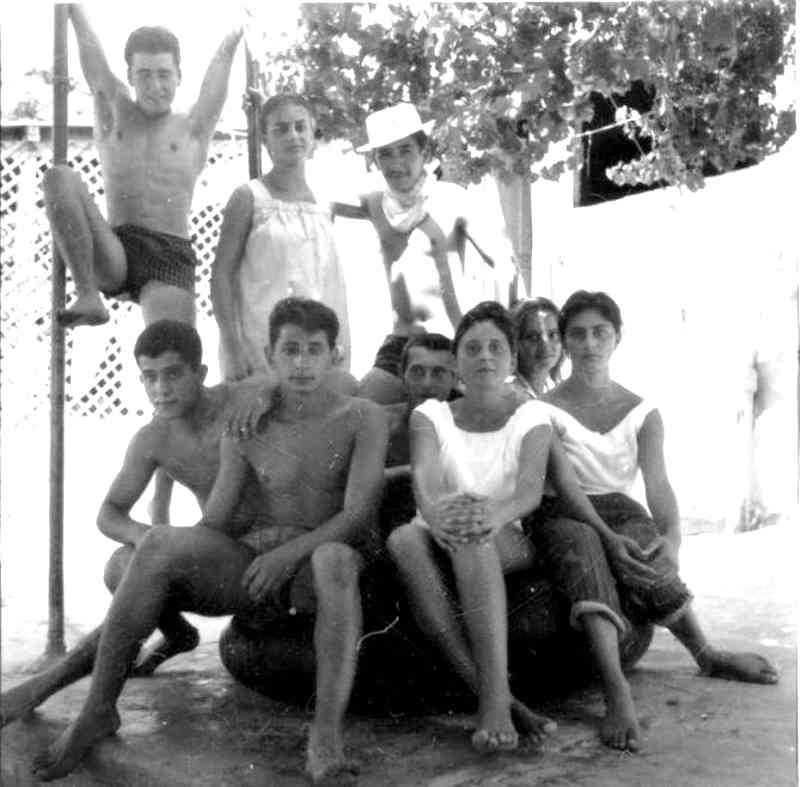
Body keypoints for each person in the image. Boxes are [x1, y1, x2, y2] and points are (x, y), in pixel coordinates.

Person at [28, 297, 388, 783]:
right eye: (290, 350)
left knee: (332, 559)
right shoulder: (242, 426)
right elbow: (214, 521)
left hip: (324, 561)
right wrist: (163, 555)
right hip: (258, 563)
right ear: (270, 355)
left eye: (313, 350)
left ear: (334, 354)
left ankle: (325, 737)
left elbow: (359, 514)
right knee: (155, 548)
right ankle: (97, 707)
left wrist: (288, 553)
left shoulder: (358, 415)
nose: (302, 363)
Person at [386, 301, 647, 753]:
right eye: (472, 348)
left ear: (511, 360)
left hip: (503, 531)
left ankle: (493, 703)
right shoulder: (430, 415)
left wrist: (490, 515)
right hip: (439, 526)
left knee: (474, 540)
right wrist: (437, 513)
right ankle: (493, 693)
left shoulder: (531, 416)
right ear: (457, 362)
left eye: (496, 347)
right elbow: (425, 484)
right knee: (403, 538)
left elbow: (528, 493)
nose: (484, 356)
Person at [526, 289, 779, 751]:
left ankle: (706, 653)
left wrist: (673, 538)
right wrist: (607, 537)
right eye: (577, 334)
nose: (589, 344)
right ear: (564, 343)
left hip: (619, 510)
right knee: (582, 546)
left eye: (600, 333)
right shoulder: (542, 409)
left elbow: (658, 484)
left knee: (645, 543)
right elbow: (564, 485)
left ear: (617, 337)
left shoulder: (642, 412)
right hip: (564, 510)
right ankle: (615, 691)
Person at [1, 320, 265, 726]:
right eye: (149, 377)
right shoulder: (153, 438)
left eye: (173, 374)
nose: (161, 389)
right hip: (215, 559)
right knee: (120, 566)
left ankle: (46, 687)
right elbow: (108, 513)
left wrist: (267, 393)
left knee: (146, 563)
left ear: (200, 373)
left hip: (260, 561)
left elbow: (300, 381)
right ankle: (177, 634)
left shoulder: (238, 400)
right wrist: (146, 538)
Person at [44, 5, 243, 328]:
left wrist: (235, 33)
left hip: (168, 254)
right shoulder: (115, 110)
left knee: (172, 348)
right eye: (144, 75)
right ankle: (88, 296)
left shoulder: (192, 127)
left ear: (179, 76)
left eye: (164, 74)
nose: (154, 86)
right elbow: (94, 61)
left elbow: (218, 73)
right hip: (115, 251)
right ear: (130, 77)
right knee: (59, 177)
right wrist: (75, 11)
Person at [345, 102, 521, 405]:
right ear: (374, 159)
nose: (396, 163)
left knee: (474, 419)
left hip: (451, 342)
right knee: (364, 409)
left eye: (405, 150)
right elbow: (311, 202)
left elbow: (503, 262)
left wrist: (505, 333)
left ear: (424, 152)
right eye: (385, 153)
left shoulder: (453, 199)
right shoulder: (373, 203)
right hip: (401, 344)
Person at [211, 93, 351, 382]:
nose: (293, 136)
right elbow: (221, 275)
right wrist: (232, 345)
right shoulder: (249, 197)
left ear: (313, 132)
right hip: (261, 341)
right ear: (265, 139)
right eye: (281, 129)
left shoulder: (326, 201)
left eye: (300, 127)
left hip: (316, 342)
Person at [510, 297, 564, 399]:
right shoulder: (509, 395)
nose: (545, 346)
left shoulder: (553, 386)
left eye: (552, 335)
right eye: (533, 337)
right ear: (515, 344)